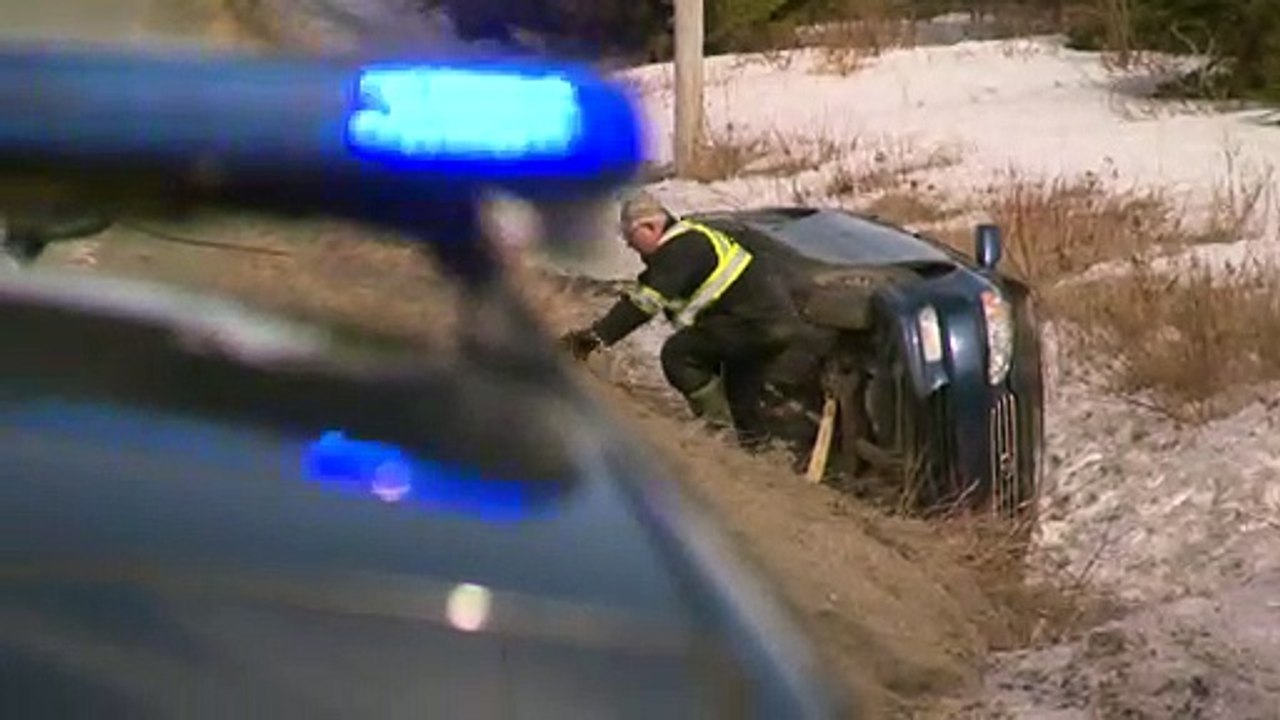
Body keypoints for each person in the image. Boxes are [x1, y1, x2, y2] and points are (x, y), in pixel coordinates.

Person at [560, 190, 802, 448]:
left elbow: (643, 305)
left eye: (631, 236)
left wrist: (594, 339)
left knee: (678, 354)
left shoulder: (679, 250)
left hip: (752, 324)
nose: (630, 245)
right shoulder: (691, 240)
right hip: (772, 324)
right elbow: (647, 290)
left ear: (651, 227)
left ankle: (719, 432)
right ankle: (756, 449)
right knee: (740, 391)